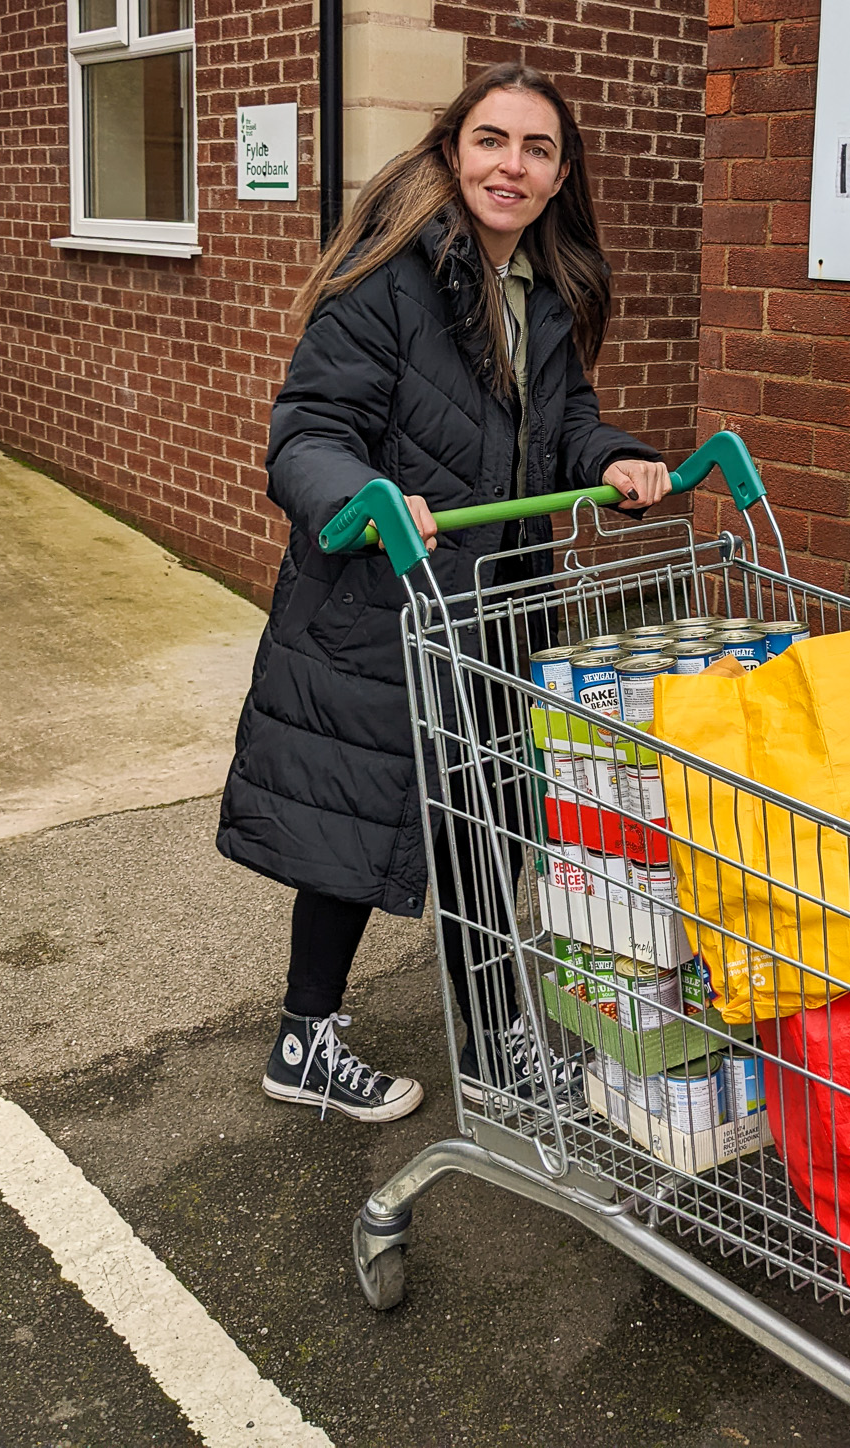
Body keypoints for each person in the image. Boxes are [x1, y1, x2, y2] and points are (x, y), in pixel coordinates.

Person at [217, 63, 671, 1122]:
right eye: (492, 140)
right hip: (382, 603)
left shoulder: (545, 296)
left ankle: (495, 1037)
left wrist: (616, 459)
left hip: (497, 610)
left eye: (537, 148)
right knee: (359, 824)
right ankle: (307, 1038)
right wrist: (371, 492)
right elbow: (308, 433)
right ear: (452, 150)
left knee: (489, 824)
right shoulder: (392, 279)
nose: (511, 164)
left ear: (561, 177)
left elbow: (562, 429)